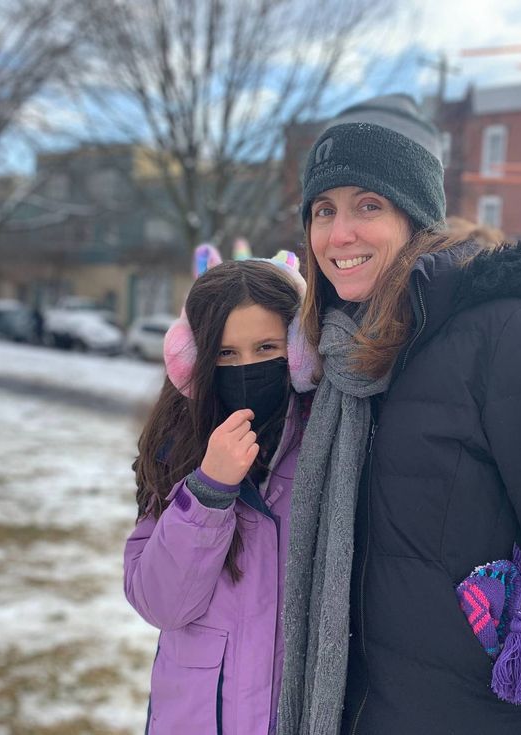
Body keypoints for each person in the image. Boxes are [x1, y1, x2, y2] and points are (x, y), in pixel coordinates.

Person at [278, 95, 521, 735]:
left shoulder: (516, 336)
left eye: (367, 205)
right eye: (324, 210)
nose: (338, 234)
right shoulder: (342, 366)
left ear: (416, 218)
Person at [124, 256, 317, 735]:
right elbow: (160, 602)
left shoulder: (326, 442)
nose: (246, 366)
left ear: (298, 353)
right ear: (193, 360)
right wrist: (209, 492)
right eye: (226, 354)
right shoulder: (178, 446)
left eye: (266, 347)